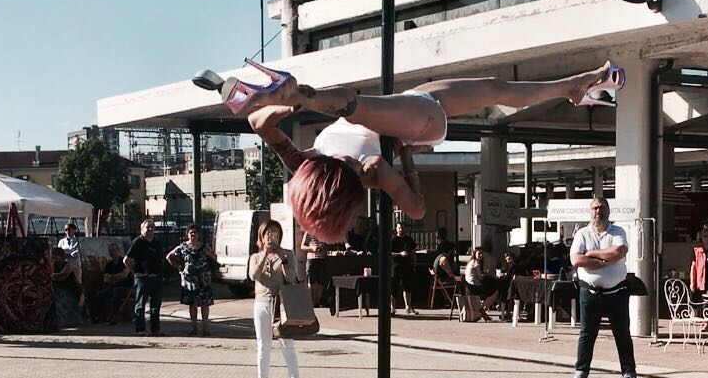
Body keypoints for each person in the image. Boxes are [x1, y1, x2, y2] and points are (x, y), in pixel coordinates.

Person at [241, 62, 622, 243]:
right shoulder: (372, 171)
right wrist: (407, 162)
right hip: (419, 122)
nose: (353, 166)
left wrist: (283, 107)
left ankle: (571, 86)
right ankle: (302, 93)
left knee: (496, 87)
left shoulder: (305, 163)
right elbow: (418, 210)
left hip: (405, 105)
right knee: (354, 106)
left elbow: (259, 125)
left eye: (346, 169)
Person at [569, 197, 642, 378]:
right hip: (590, 292)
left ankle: (629, 375)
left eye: (601, 208)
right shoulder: (582, 233)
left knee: (622, 335)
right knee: (587, 334)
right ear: (590, 211)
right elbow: (576, 260)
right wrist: (604, 261)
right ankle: (581, 373)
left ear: (608, 210)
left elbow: (618, 253)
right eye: (594, 208)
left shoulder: (618, 231)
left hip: (617, 292)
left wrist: (591, 254)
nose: (598, 212)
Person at [248, 220, 302, 378]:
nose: (271, 236)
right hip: (261, 304)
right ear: (262, 237)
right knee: (263, 346)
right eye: (268, 233)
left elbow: (292, 278)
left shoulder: (287, 254)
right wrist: (265, 255)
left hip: (281, 305)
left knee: (287, 345)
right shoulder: (255, 256)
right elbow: (253, 276)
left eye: (275, 232)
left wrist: (283, 259)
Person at [167, 225, 217, 336]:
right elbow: (169, 257)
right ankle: (194, 327)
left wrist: (209, 254)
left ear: (199, 234)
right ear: (187, 234)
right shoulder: (183, 247)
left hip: (203, 279)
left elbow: (215, 257)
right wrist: (179, 267)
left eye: (195, 232)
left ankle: (205, 327)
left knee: (205, 304)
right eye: (191, 233)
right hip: (190, 280)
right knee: (192, 304)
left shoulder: (204, 247)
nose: (193, 235)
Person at [124, 219, 165, 336]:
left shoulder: (157, 242)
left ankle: (155, 330)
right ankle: (140, 329)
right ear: (142, 229)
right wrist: (134, 272)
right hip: (143, 278)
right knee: (140, 305)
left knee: (155, 305)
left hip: (156, 277)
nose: (150, 230)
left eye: (152, 228)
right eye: (147, 228)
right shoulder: (137, 242)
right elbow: (126, 259)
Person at [92, 242, 132, 325]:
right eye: (110, 251)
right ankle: (97, 316)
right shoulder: (109, 265)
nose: (112, 252)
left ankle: (114, 317)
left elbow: (124, 275)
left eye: (114, 250)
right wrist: (117, 278)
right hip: (112, 287)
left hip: (126, 287)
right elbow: (105, 280)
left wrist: (111, 276)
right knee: (99, 294)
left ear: (118, 251)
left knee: (116, 291)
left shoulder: (124, 262)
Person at [464, 247, 499, 320]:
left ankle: (482, 310)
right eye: (479, 254)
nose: (481, 255)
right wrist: (487, 274)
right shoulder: (476, 262)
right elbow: (480, 277)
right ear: (475, 254)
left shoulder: (471, 262)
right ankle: (482, 309)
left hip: (469, 286)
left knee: (491, 288)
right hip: (474, 286)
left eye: (482, 254)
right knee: (495, 292)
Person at [391, 221, 417, 315]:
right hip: (396, 266)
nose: (401, 229)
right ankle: (392, 308)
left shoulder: (409, 240)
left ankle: (408, 307)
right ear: (396, 229)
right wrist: (400, 254)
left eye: (402, 227)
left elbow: (413, 252)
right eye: (399, 228)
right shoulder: (393, 240)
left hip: (407, 266)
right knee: (394, 287)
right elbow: (389, 253)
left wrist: (414, 264)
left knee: (407, 287)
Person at [300, 231, 327, 307]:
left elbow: (327, 246)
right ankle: (311, 302)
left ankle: (317, 302)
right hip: (312, 259)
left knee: (320, 282)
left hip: (321, 259)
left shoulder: (324, 232)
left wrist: (323, 248)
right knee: (311, 281)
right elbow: (302, 246)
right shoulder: (309, 232)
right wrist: (312, 248)